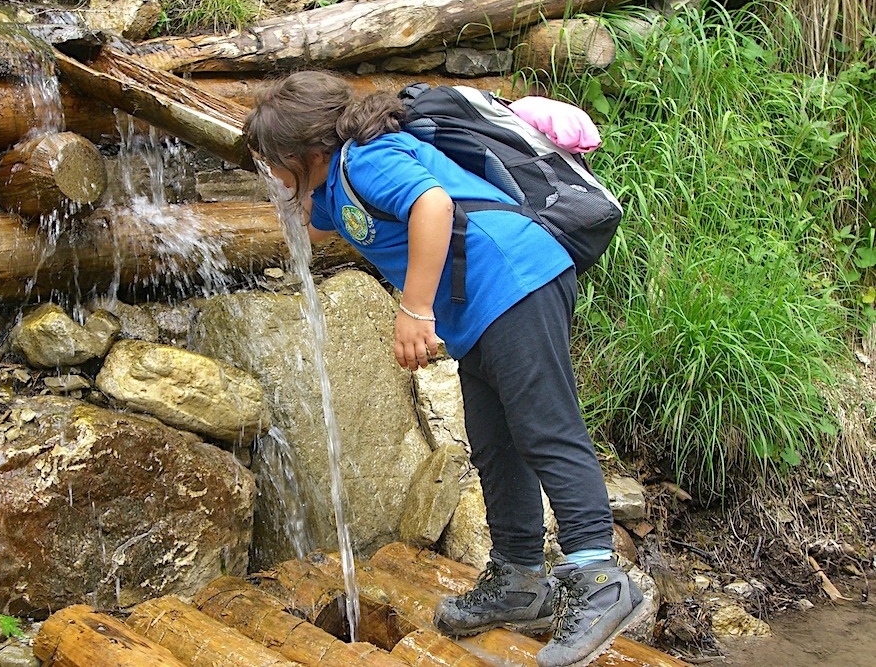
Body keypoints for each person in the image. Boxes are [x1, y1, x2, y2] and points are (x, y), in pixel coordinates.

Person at [244, 70, 648, 667]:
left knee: (544, 429)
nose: (268, 174)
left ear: (305, 150)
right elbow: (323, 220)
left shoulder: (366, 158)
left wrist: (414, 309)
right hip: (480, 309)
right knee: (496, 444)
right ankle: (520, 579)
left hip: (513, 279)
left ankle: (599, 579)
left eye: (272, 161)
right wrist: (294, 186)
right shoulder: (336, 181)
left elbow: (431, 206)